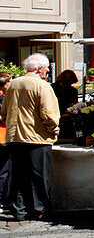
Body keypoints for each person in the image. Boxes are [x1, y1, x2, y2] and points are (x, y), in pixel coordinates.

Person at [2, 53, 60, 220]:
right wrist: (53, 129)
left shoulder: (13, 84)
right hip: (37, 138)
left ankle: (19, 210)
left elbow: (4, 111)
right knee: (39, 176)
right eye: (47, 68)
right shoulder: (42, 86)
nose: (48, 70)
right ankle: (38, 209)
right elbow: (48, 113)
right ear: (40, 69)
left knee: (18, 175)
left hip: (15, 137)